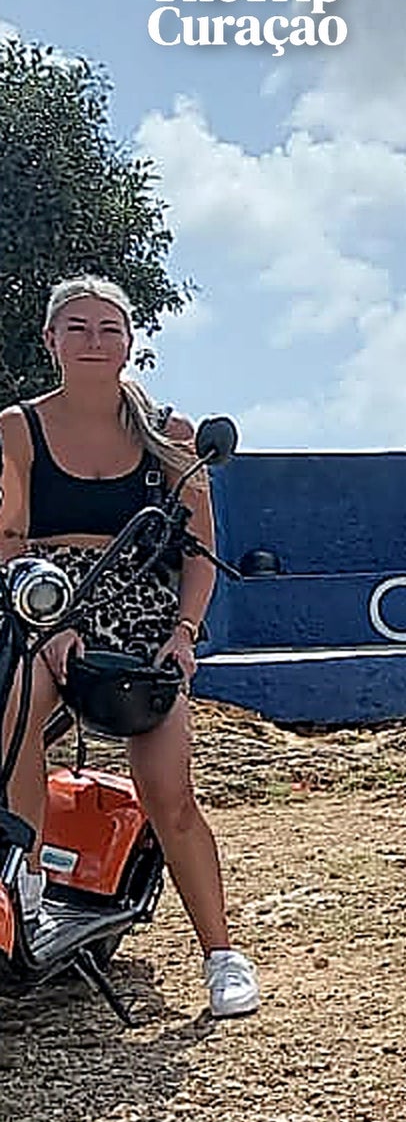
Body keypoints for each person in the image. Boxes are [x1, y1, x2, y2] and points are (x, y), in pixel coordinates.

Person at [0, 276, 259, 1017]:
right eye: (76, 328)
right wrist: (49, 620)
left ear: (129, 342)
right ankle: (28, 887)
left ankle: (221, 952)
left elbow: (199, 550)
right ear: (50, 340)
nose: (93, 342)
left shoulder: (168, 433)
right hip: (45, 596)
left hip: (142, 608)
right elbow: (8, 536)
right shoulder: (18, 428)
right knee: (16, 710)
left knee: (169, 788)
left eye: (108, 329)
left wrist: (185, 632)